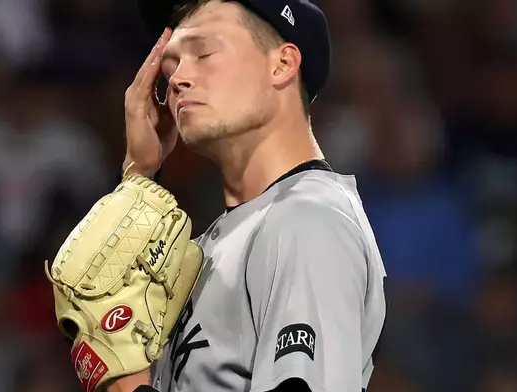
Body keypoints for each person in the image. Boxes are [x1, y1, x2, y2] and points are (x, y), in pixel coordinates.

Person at [112, 0, 387, 391]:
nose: (176, 79)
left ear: (282, 65)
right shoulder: (219, 240)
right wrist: (139, 175)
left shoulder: (307, 221)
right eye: (170, 66)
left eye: (204, 53)